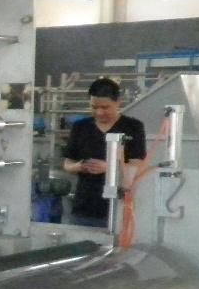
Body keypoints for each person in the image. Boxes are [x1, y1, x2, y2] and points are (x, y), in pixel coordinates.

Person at [63, 77, 146, 227]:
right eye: (94, 107)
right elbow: (67, 164)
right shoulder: (80, 127)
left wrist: (109, 167)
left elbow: (137, 166)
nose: (99, 112)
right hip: (84, 207)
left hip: (120, 206)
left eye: (105, 107)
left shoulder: (133, 127)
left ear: (118, 102)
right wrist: (81, 166)